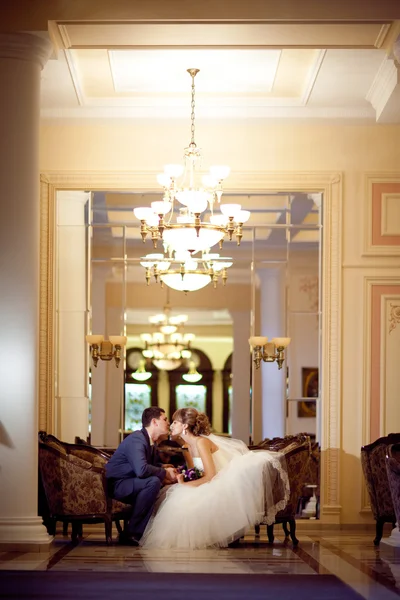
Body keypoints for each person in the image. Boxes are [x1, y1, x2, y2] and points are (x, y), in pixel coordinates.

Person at [140, 407, 290, 550]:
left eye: (175, 422)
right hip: (207, 479)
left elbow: (211, 475)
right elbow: (197, 472)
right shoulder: (186, 446)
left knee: (183, 499)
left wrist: (186, 485)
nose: (171, 425)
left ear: (185, 426)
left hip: (219, 480)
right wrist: (183, 478)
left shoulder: (201, 442)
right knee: (175, 494)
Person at [105, 406, 177, 546]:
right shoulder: (137, 439)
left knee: (157, 482)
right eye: (165, 419)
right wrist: (164, 473)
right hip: (118, 485)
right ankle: (132, 533)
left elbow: (150, 465)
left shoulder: (150, 442)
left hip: (130, 482)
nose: (168, 423)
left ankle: (142, 530)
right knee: (153, 482)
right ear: (155, 422)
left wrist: (165, 468)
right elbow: (142, 470)